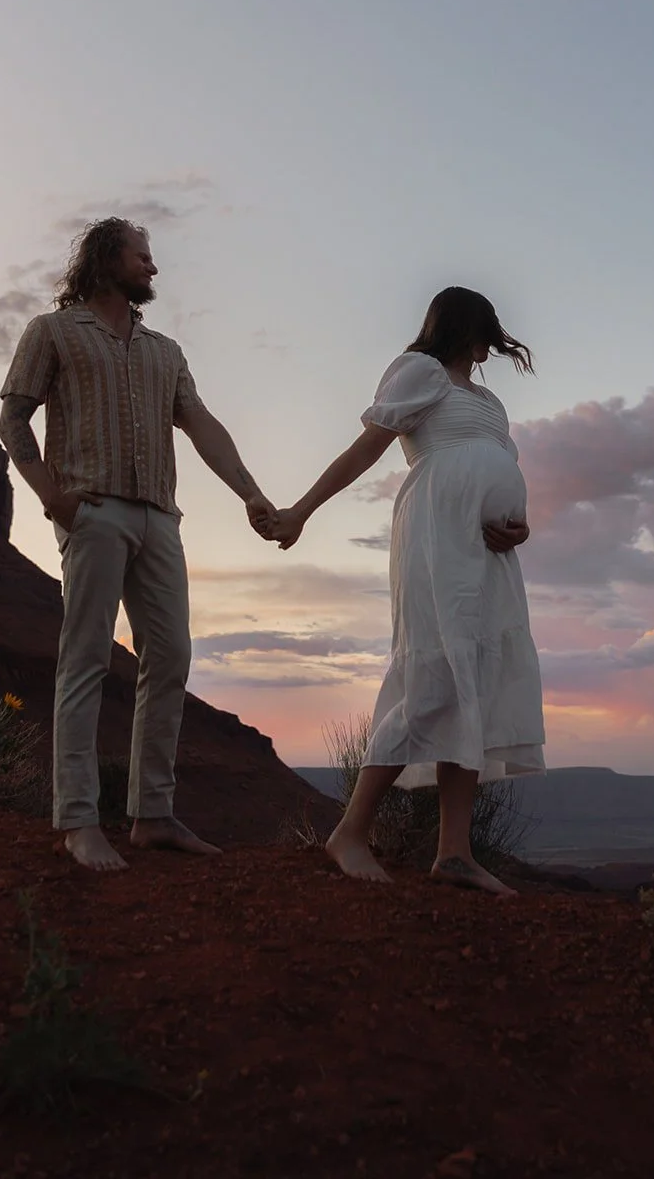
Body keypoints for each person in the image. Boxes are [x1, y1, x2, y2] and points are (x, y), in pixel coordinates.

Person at [0, 217, 274, 872]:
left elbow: (201, 424)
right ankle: (78, 822)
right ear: (105, 259)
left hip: (159, 517)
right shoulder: (54, 332)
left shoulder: (164, 351)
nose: (153, 267)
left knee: (171, 657)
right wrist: (48, 492)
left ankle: (152, 815)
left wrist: (251, 494)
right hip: (91, 511)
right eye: (141, 255)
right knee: (86, 657)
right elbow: (13, 416)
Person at [261, 286, 545, 897]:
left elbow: (499, 468)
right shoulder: (420, 372)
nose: (491, 347)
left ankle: (454, 853)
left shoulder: (490, 404)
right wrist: (303, 511)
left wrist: (519, 524)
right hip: (437, 539)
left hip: (488, 557)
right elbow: (367, 448)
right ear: (471, 331)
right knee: (432, 678)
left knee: (475, 680)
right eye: (486, 334)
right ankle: (350, 833)